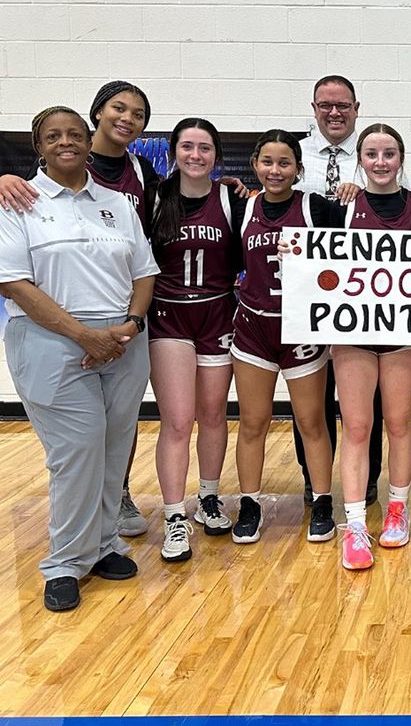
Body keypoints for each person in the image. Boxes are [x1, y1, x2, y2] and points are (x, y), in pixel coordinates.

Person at [0, 106, 158, 612]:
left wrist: (130, 326)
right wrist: (84, 336)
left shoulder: (117, 203)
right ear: (38, 147)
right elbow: (14, 283)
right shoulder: (16, 202)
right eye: (53, 136)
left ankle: (105, 543)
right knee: (78, 450)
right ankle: (65, 562)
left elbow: (144, 271)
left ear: (89, 142)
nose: (65, 142)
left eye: (74, 135)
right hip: (51, 343)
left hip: (124, 341)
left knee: (115, 445)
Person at [230, 129, 339, 545]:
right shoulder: (242, 206)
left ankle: (323, 500)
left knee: (312, 422)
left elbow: (366, 240)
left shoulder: (317, 207)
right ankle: (251, 503)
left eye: (285, 163)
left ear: (298, 168)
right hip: (255, 326)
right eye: (268, 162)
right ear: (256, 165)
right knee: (253, 422)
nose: (275, 171)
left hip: (301, 329)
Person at [333, 124, 411, 569]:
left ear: (401, 158)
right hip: (352, 332)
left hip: (403, 334)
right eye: (371, 153)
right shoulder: (341, 205)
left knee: (398, 423)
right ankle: (355, 522)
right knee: (356, 428)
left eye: (389, 153)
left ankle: (398, 508)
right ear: (359, 158)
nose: (380, 161)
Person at [149, 119, 247, 563]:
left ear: (216, 155)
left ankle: (209, 496)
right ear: (173, 152)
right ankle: (173, 515)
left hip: (217, 312)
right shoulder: (155, 197)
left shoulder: (231, 199)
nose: (195, 155)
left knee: (212, 414)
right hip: (169, 316)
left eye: (204, 147)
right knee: (177, 420)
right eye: (186, 147)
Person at [296, 75, 384, 508]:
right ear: (313, 108)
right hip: (312, 293)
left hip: (365, 296)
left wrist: (364, 191)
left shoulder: (374, 153)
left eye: (343, 105)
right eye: (325, 105)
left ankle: (366, 481)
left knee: (366, 398)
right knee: (312, 394)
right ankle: (316, 482)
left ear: (356, 107)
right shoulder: (297, 154)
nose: (334, 112)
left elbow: (396, 202)